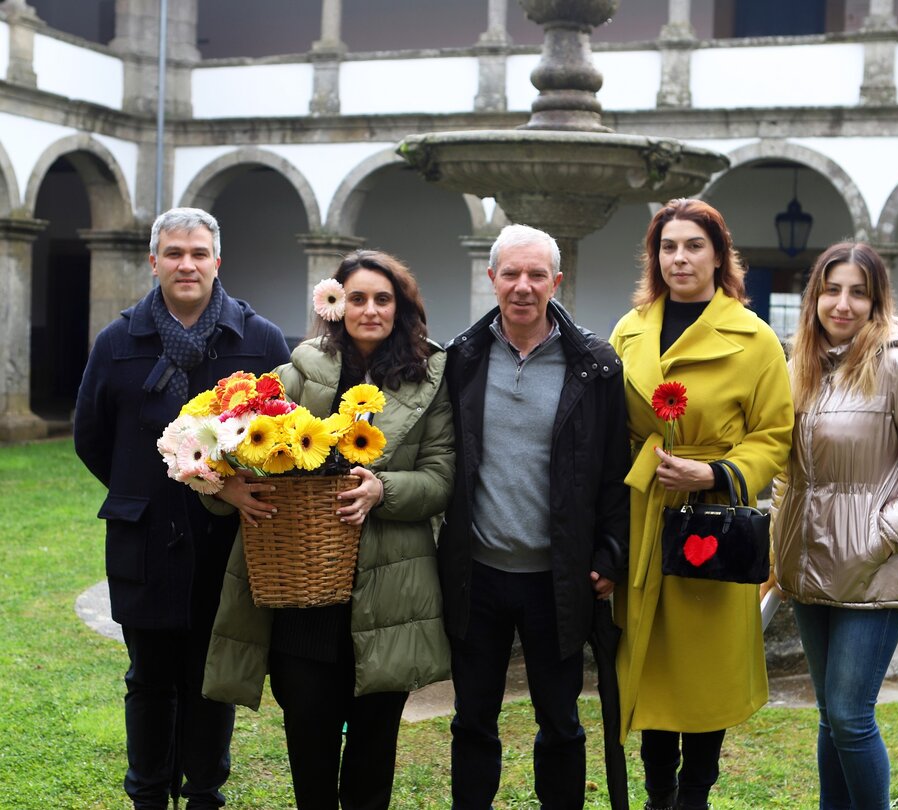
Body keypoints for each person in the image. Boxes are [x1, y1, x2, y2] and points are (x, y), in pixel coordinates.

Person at [202, 249, 454, 810]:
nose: (369, 310)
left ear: (401, 307)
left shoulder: (431, 377)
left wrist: (383, 491)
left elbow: (441, 477)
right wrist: (228, 488)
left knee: (373, 747)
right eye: (356, 297)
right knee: (309, 745)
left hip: (390, 593)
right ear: (333, 304)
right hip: (302, 598)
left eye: (382, 299)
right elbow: (228, 452)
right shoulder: (291, 375)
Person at [74, 207, 290, 809]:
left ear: (217, 261)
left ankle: (204, 793)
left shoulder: (259, 340)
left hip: (226, 540)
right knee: (148, 678)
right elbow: (90, 436)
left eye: (198, 253)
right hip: (143, 540)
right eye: (174, 253)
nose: (186, 264)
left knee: (210, 677)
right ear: (154, 262)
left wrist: (222, 491)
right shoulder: (118, 341)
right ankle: (146, 794)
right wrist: (140, 488)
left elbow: (279, 437)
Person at [771, 242, 898, 810]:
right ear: (814, 298)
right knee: (831, 716)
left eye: (858, 291)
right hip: (806, 568)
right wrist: (776, 546)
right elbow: (789, 474)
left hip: (873, 571)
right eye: (832, 289)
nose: (843, 303)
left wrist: (879, 537)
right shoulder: (800, 369)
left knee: (852, 715)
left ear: (877, 301)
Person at [438, 223, 630, 809]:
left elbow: (613, 471)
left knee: (561, 723)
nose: (523, 287)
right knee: (472, 720)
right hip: (478, 574)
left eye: (537, 275)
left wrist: (610, 556)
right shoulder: (462, 359)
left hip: (557, 579)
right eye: (512, 274)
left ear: (556, 281)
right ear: (492, 278)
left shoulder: (594, 365)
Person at [611, 198, 794, 810]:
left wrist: (715, 470)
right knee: (654, 670)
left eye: (693, 245)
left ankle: (695, 795)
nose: (679, 258)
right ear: (654, 256)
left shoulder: (756, 338)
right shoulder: (628, 329)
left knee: (705, 673)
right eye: (668, 246)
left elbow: (774, 437)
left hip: (714, 527)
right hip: (644, 522)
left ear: (719, 255)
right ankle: (658, 794)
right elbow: (609, 430)